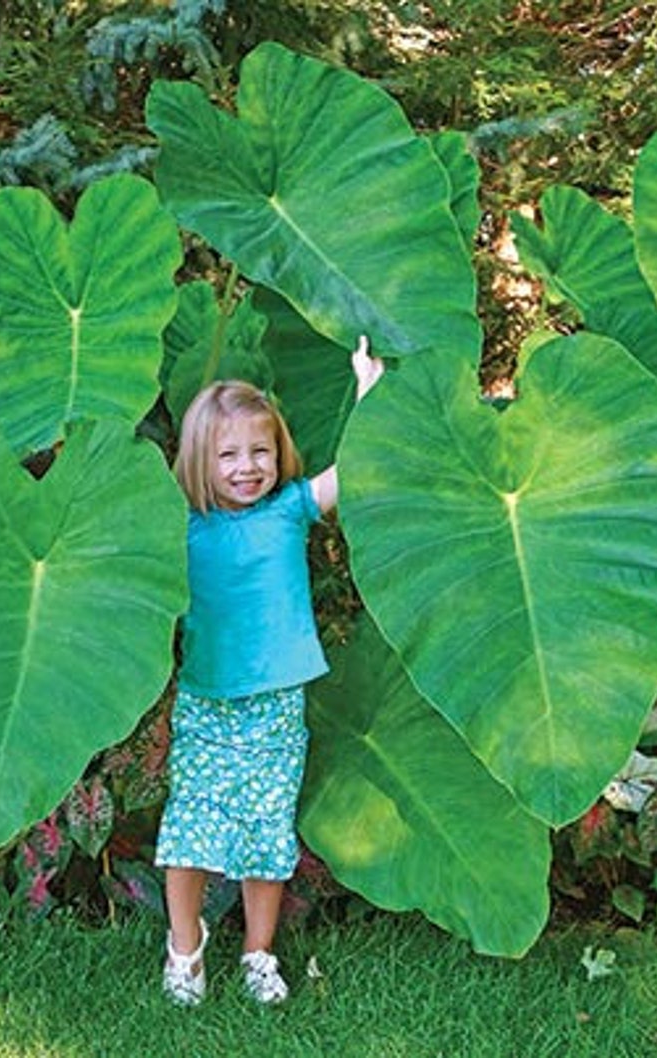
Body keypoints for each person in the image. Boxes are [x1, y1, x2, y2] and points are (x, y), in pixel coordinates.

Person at [155, 335, 383, 1006]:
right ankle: (184, 949)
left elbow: (347, 474)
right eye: (228, 455)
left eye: (260, 451)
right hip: (207, 701)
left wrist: (366, 391)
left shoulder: (288, 509)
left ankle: (259, 953)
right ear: (200, 461)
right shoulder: (182, 528)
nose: (247, 467)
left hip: (277, 702)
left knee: (266, 832)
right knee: (189, 829)